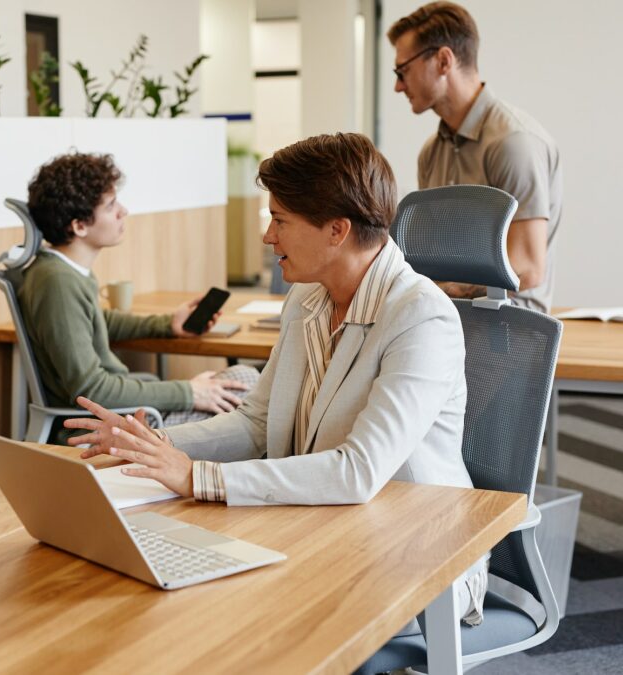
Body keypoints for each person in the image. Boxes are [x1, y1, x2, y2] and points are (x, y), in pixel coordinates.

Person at [64, 133, 487, 626]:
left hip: (417, 555)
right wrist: (151, 446)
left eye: (280, 220)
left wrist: (198, 477)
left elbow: (358, 471)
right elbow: (256, 425)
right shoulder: (308, 298)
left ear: (336, 230)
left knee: (228, 615)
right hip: (325, 525)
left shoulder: (420, 316)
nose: (268, 237)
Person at [18, 152, 257, 433]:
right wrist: (189, 392)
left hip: (124, 416)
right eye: (110, 206)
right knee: (248, 388)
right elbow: (91, 389)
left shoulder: (63, 271)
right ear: (79, 226)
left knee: (245, 380)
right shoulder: (57, 282)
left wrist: (167, 324)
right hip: (102, 429)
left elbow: (96, 322)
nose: (123, 211)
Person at [388, 1, 562, 313]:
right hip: (447, 323)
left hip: (507, 335)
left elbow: (528, 268)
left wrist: (447, 287)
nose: (398, 86)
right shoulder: (431, 153)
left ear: (443, 61)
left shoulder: (514, 143)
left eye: (403, 71)